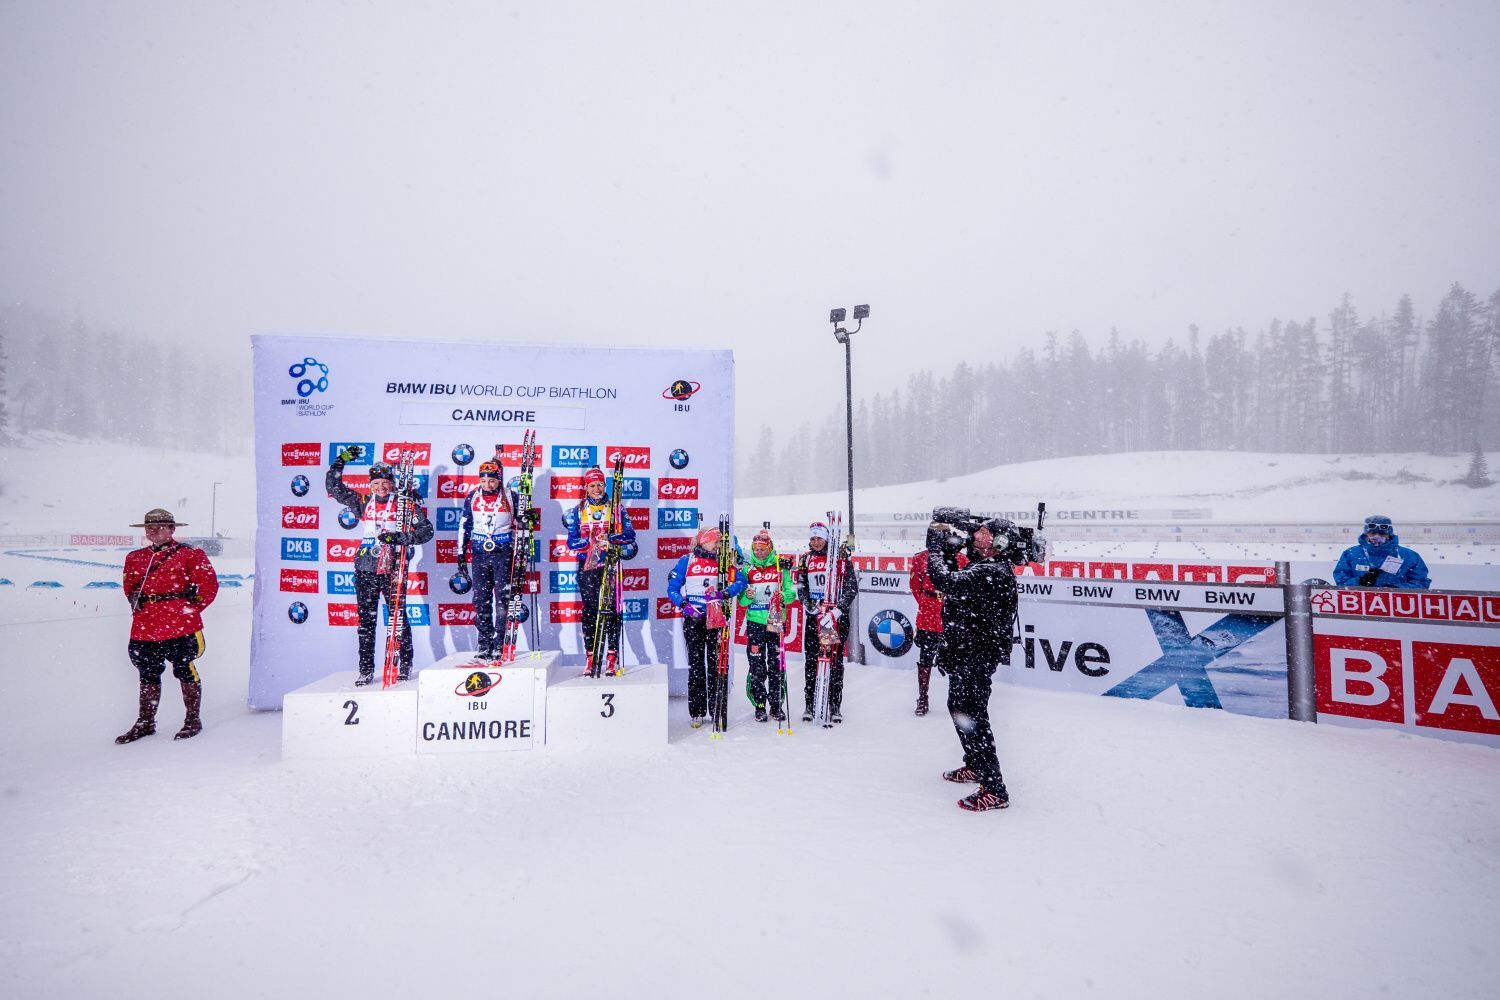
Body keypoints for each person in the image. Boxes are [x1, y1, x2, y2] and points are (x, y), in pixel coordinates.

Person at [924, 515, 1031, 812]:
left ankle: (995, 789)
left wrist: (934, 552)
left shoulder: (993, 570)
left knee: (972, 713)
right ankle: (974, 765)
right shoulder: (981, 564)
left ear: (997, 542)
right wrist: (947, 551)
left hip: (977, 654)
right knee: (959, 707)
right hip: (966, 650)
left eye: (981, 532)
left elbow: (947, 581)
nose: (973, 536)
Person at [327, 446, 435, 685]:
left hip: (394, 567)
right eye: (375, 483)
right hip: (366, 567)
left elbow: (427, 531)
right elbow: (334, 488)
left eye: (384, 483)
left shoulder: (405, 505)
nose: (380, 487)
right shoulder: (363, 501)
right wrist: (341, 460)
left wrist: (400, 537)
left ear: (392, 483)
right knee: (366, 620)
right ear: (370, 485)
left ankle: (404, 664)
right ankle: (365, 670)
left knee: (397, 617)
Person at [116, 508, 220, 743]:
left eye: (160, 526)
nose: (154, 530)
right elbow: (130, 589)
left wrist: (189, 610)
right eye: (149, 526)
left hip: (179, 625)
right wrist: (143, 609)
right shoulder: (135, 558)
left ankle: (192, 720)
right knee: (147, 673)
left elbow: (209, 586)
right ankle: (145, 723)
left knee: (184, 669)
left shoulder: (190, 554)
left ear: (172, 529)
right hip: (145, 627)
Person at [666, 525, 747, 727]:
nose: (718, 545)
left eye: (720, 542)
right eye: (716, 541)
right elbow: (672, 588)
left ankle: (716, 709)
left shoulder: (723, 561)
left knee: (715, 665)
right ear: (704, 541)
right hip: (694, 619)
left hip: (715, 618)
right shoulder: (688, 560)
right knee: (696, 665)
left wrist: (724, 594)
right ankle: (697, 711)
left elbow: (741, 581)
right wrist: (685, 606)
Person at [563, 466, 638, 675]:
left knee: (612, 611)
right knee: (589, 611)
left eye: (600, 485)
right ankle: (591, 656)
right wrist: (589, 542)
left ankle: (611, 657)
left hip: (610, 564)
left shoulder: (616, 508)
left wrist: (611, 538)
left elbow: (630, 535)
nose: (597, 489)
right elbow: (571, 542)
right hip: (587, 566)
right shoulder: (577, 510)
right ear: (586, 487)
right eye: (592, 485)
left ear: (605, 485)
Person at [457, 459, 536, 658]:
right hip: (480, 554)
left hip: (503, 553)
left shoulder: (511, 496)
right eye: (483, 481)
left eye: (491, 481)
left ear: (498, 479)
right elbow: (464, 526)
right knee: (481, 601)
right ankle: (484, 644)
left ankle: (499, 642)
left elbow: (524, 522)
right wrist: (460, 554)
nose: (487, 485)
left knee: (503, 601)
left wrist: (529, 517)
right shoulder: (473, 496)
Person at [794, 522, 858, 724]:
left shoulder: (840, 559)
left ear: (827, 539)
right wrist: (808, 605)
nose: (816, 542)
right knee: (812, 660)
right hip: (816, 617)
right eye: (813, 538)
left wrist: (838, 610)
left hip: (834, 619)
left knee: (835, 661)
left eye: (819, 538)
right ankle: (810, 703)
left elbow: (851, 588)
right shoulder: (806, 559)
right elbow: (801, 587)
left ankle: (834, 704)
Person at [737, 528, 797, 723]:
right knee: (756, 665)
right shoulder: (748, 570)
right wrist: (747, 595)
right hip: (755, 622)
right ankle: (760, 705)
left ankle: (776, 705)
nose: (759, 553)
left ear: (770, 548)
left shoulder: (780, 567)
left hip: (775, 622)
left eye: (763, 549)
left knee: (776, 665)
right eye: (756, 549)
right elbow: (742, 602)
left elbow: (791, 593)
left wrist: (783, 597)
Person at [1332, 515, 1431, 589]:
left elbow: (1421, 583)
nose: (1377, 536)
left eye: (1382, 533)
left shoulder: (1409, 556)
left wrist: (1395, 589)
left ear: (1389, 534)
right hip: (1360, 607)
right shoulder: (1350, 554)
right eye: (1373, 533)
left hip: (1397, 608)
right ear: (1366, 533)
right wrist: (1360, 582)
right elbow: (1341, 581)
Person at [908, 546, 947, 716]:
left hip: (950, 611)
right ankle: (923, 697)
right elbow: (915, 586)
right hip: (928, 612)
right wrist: (928, 604)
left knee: (957, 656)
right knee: (926, 655)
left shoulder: (960, 558)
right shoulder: (920, 558)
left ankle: (960, 700)